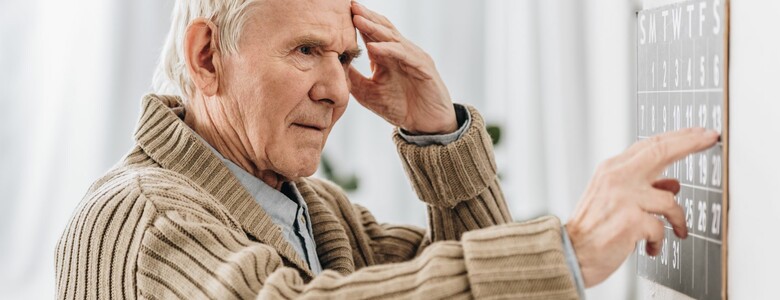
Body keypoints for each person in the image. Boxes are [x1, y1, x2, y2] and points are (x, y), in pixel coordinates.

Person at [54, 0, 719, 298]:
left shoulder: (320, 214)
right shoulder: (134, 217)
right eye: (306, 51)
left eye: (344, 55)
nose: (338, 90)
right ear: (207, 56)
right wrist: (566, 251)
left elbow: (460, 282)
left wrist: (439, 136)